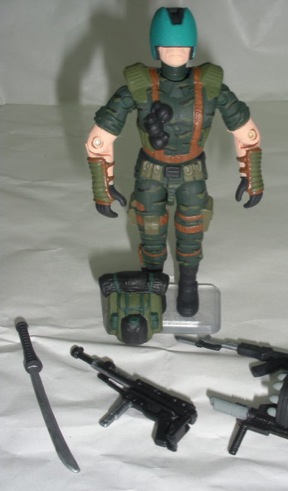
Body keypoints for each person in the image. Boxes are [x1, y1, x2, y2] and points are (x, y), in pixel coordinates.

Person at [85, 7, 263, 317]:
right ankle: (154, 284)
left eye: (181, 46)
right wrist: (103, 185)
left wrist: (252, 175)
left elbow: (245, 132)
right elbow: (100, 140)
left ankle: (188, 284)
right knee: (151, 233)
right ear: (156, 48)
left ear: (192, 48)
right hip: (150, 172)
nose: (175, 51)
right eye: (168, 45)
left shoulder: (210, 88)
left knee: (191, 232)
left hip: (192, 173)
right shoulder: (138, 87)